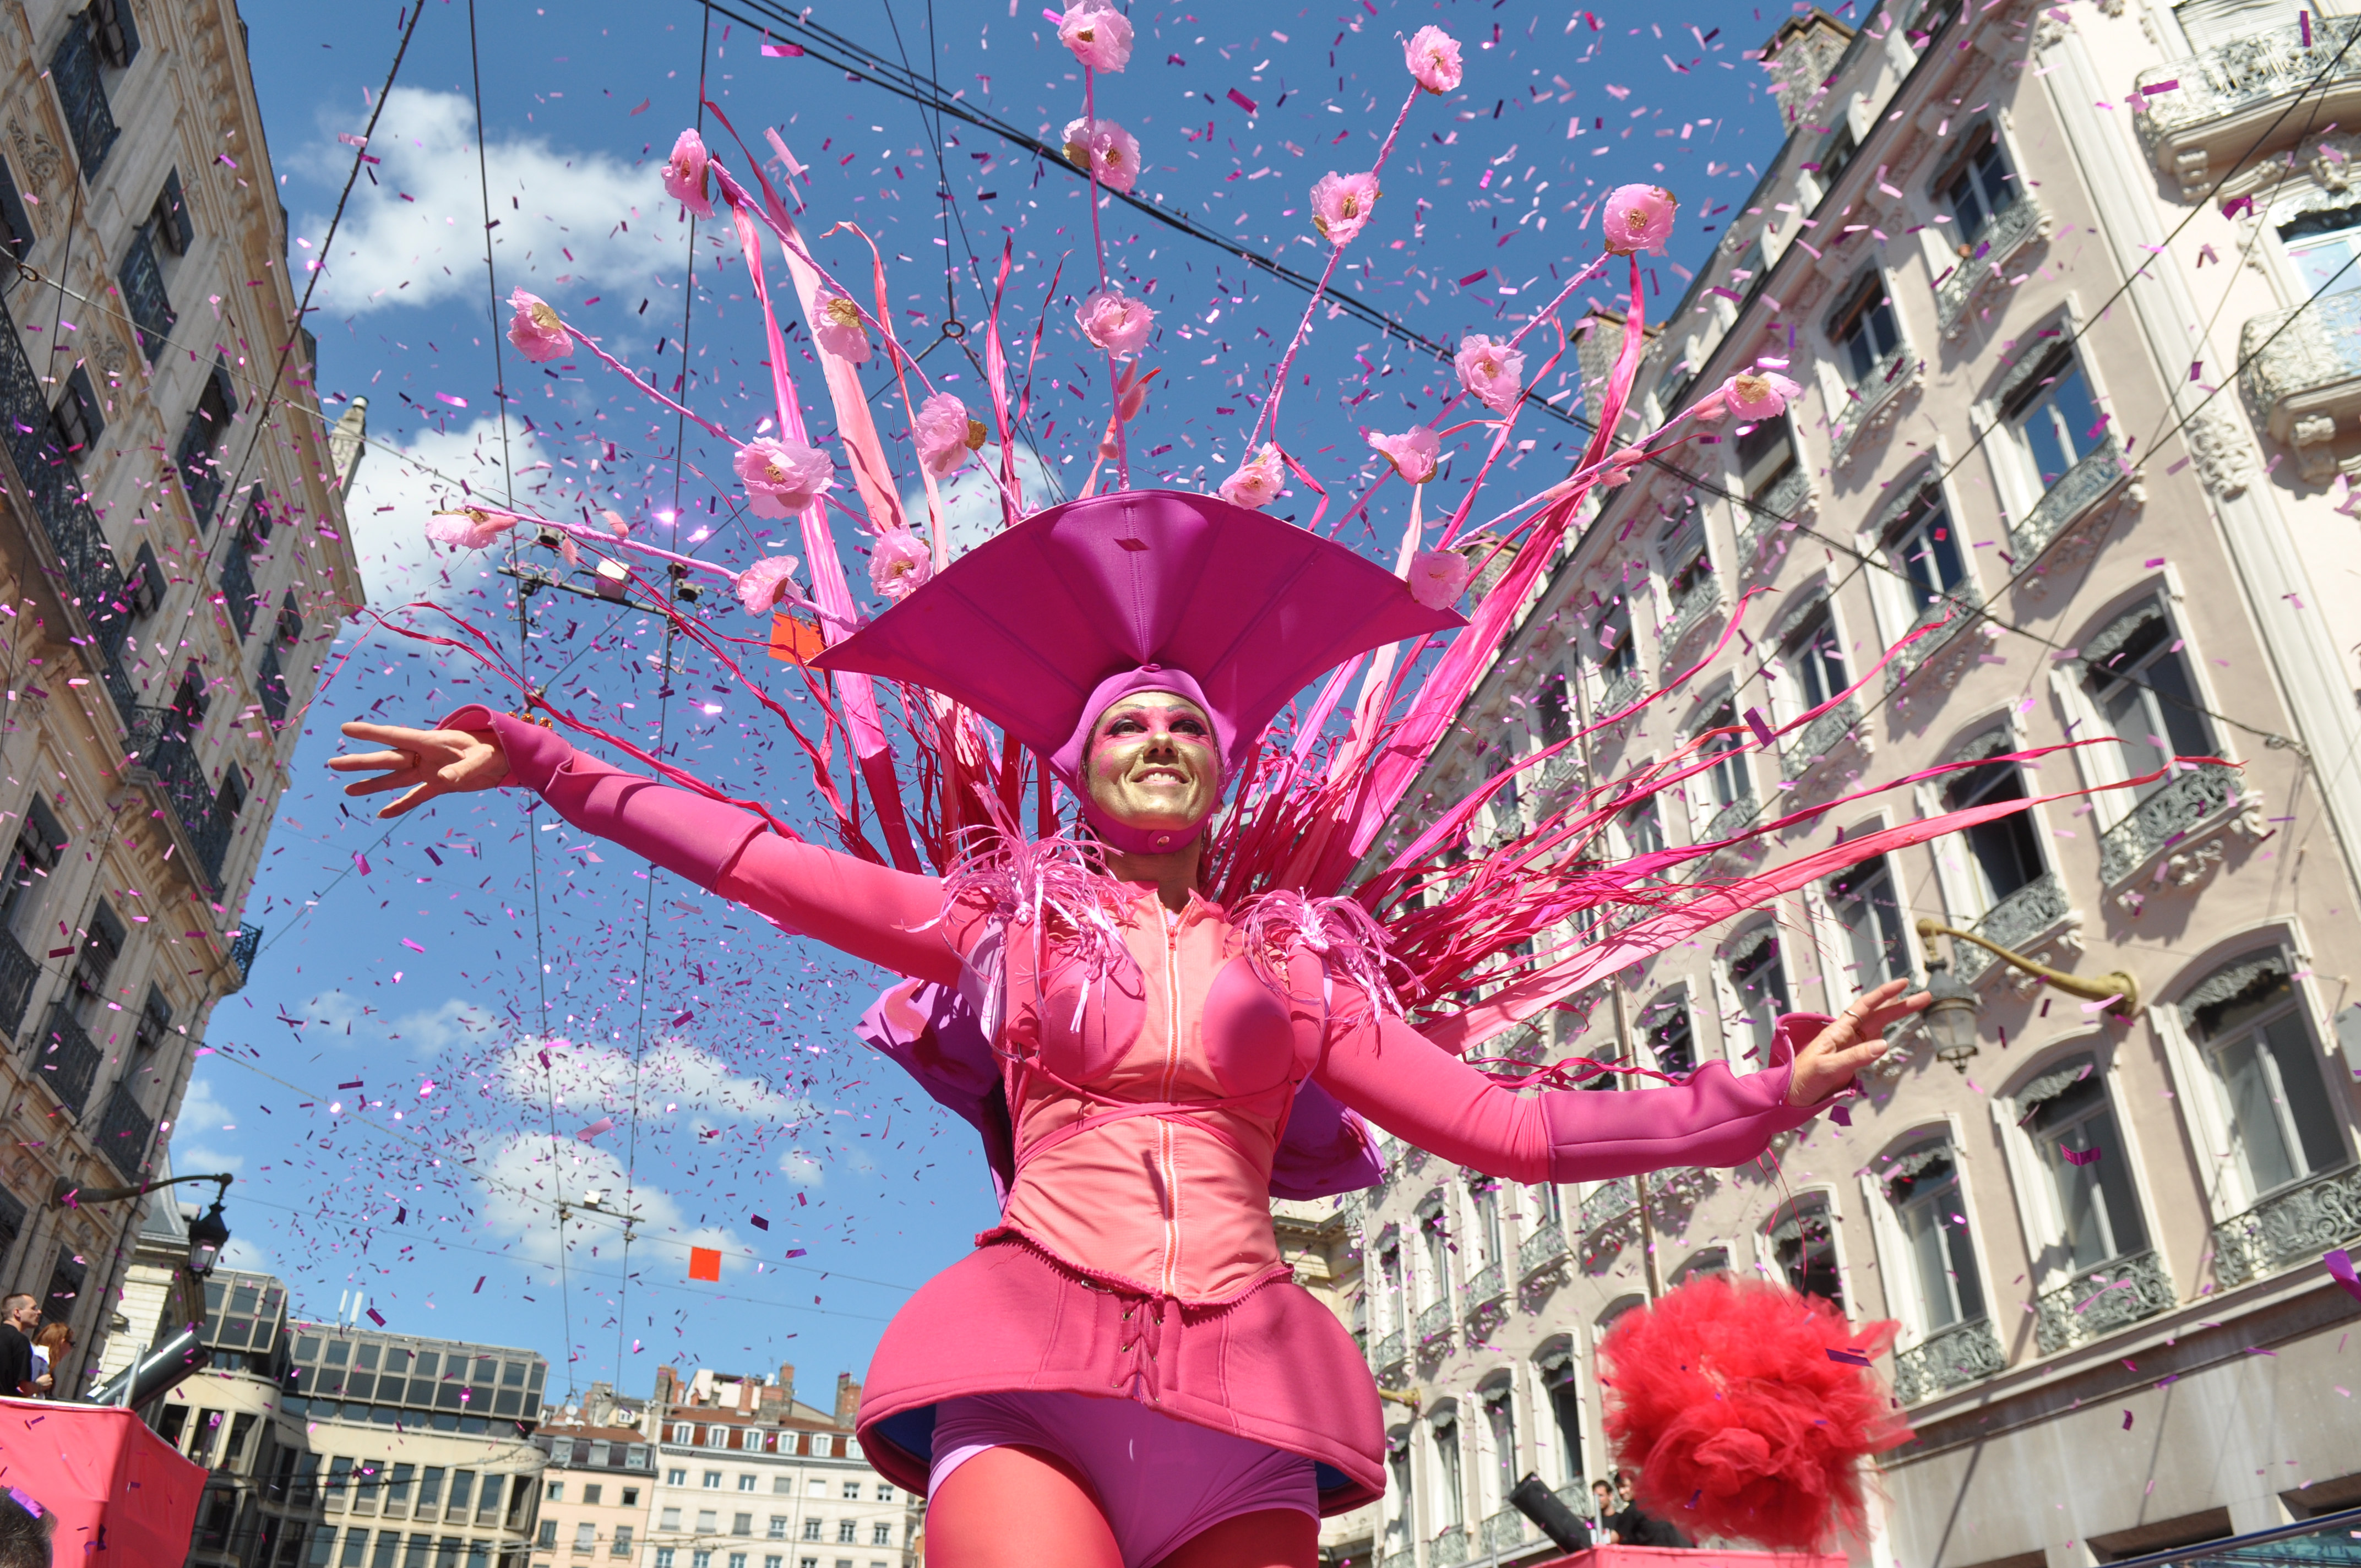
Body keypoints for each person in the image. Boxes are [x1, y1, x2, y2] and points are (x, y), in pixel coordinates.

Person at [334, 490, 1924, 1568]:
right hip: (1029, 1380)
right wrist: (540, 762)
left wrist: (1767, 1091)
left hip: (1252, 1410)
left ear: (1216, 772)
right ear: (1082, 772)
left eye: (1185, 729)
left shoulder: (1303, 968)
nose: (1159, 744)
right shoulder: (998, 920)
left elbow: (1516, 1127)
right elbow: (762, 864)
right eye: (1128, 731)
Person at [0, 1295, 43, 1400]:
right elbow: (25, 1388)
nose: (39, 1312)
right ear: (17, 1312)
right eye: (34, 1308)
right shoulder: (20, 1340)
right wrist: (40, 1385)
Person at [28, 1322, 69, 1400]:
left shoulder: (49, 1370)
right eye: (72, 1344)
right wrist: (39, 1386)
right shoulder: (35, 1359)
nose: (70, 1349)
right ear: (63, 1342)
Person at [1591, 1477, 1622, 1544]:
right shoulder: (1592, 1523)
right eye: (1595, 1496)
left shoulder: (1621, 1519)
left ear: (1610, 1496)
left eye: (1601, 1496)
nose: (1598, 1500)